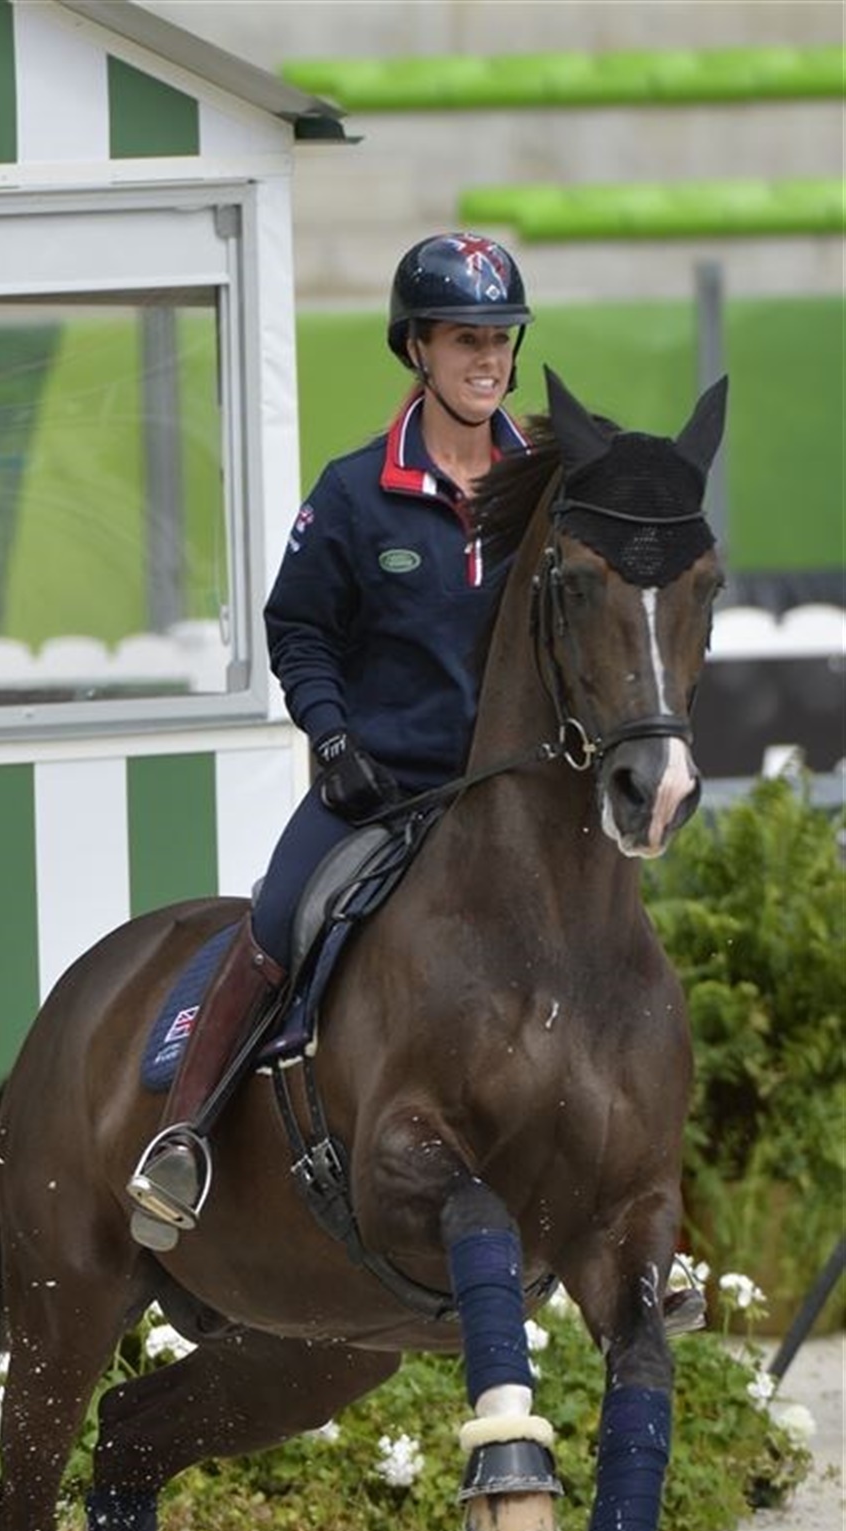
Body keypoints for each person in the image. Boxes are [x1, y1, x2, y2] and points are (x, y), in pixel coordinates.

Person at [127, 232, 534, 1248]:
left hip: (510, 798)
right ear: (417, 349)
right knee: (276, 918)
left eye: (500, 339)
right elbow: (299, 628)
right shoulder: (354, 493)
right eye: (465, 339)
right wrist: (334, 735)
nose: (487, 359)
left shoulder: (547, 492)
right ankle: (184, 1137)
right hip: (379, 793)